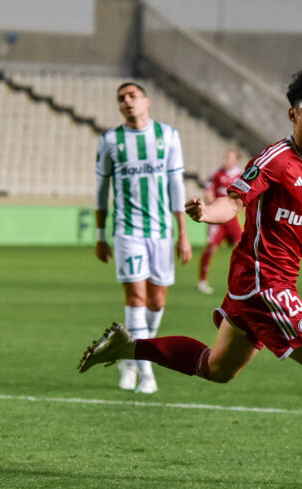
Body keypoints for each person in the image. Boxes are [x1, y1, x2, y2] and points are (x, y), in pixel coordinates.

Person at [79, 68, 302, 481]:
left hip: (258, 285)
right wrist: (207, 213)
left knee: (216, 368)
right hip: (265, 282)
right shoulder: (275, 161)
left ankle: (129, 348)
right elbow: (236, 202)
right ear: (293, 114)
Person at [94, 82, 192, 394]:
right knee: (136, 298)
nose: (126, 102)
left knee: (157, 300)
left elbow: (177, 186)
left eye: (132, 96)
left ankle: (128, 358)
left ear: (146, 101)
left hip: (162, 232)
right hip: (127, 231)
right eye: (121, 99)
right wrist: (100, 234)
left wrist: (183, 235)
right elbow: (101, 190)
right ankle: (147, 373)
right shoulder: (111, 140)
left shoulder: (168, 136)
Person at [197, 148, 244, 294]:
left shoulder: (241, 175)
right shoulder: (216, 172)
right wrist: (213, 207)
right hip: (217, 219)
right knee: (211, 248)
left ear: (236, 160)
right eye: (225, 157)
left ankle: (239, 282)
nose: (226, 160)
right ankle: (202, 281)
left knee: (241, 249)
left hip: (232, 219)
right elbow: (208, 191)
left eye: (229, 158)